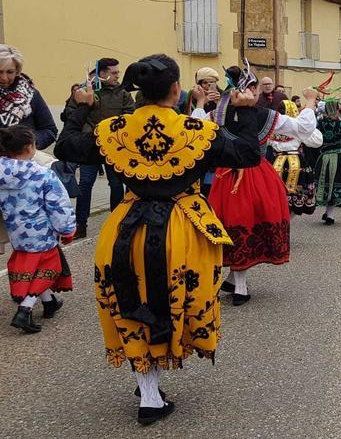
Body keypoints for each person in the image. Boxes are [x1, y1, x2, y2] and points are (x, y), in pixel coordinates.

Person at [54, 53, 261, 424]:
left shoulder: (114, 128)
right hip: (181, 231)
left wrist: (79, 108)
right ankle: (150, 395)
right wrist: (244, 112)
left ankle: (147, 383)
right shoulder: (196, 131)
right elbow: (247, 154)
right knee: (175, 299)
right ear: (176, 89)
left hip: (125, 229)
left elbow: (66, 147)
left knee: (131, 299)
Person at [199, 67, 318, 306]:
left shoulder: (215, 115)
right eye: (254, 88)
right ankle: (240, 288)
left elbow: (194, 126)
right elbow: (304, 128)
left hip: (225, 177)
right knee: (244, 226)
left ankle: (234, 279)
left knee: (234, 225)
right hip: (256, 176)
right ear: (250, 90)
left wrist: (201, 103)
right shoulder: (264, 115)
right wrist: (310, 100)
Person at [1, 125, 76, 333]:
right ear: (29, 147)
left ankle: (50, 302)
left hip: (17, 232)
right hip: (42, 233)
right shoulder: (43, 175)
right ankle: (24, 311)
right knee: (48, 270)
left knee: (33, 267)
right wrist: (67, 228)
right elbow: (58, 205)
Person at [64, 57, 134, 239]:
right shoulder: (85, 89)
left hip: (113, 146)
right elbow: (70, 114)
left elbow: (129, 115)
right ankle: (80, 225)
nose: (118, 76)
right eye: (114, 73)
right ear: (102, 74)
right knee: (85, 184)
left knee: (117, 184)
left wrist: (112, 129)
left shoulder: (123, 93)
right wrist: (83, 102)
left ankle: (116, 224)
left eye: (118, 72)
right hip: (90, 145)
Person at [270, 98, 323, 216]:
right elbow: (317, 141)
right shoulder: (297, 129)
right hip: (296, 163)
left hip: (277, 162)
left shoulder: (273, 127)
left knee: (278, 196)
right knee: (295, 197)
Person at [0, 45, 59, 148]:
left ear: (17, 71)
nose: (4, 78)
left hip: (24, 158)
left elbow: (49, 130)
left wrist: (29, 143)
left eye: (10, 72)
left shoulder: (31, 95)